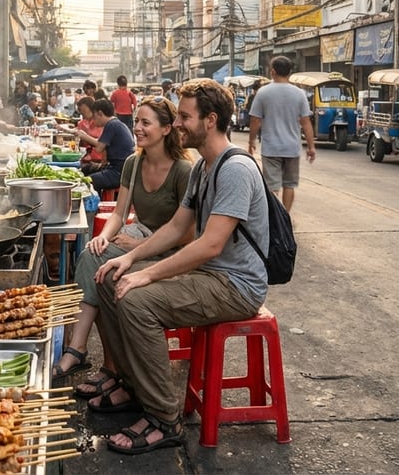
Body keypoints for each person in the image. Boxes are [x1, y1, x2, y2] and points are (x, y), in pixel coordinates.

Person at [90, 78, 268, 454]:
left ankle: (164, 418)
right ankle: (134, 385)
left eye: (186, 116)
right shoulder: (204, 166)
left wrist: (148, 273)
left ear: (210, 120)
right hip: (211, 276)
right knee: (110, 278)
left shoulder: (235, 168)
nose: (180, 124)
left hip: (236, 286)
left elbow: (210, 244)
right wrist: (130, 257)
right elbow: (175, 227)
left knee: (138, 301)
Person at [52, 96, 194, 387]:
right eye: (137, 122)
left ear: (167, 129)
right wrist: (102, 238)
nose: (138, 129)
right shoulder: (133, 162)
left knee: (107, 273)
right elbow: (119, 213)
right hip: (138, 238)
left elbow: (188, 234)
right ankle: (82, 351)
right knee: (93, 256)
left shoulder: (183, 170)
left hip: (172, 253)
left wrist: (138, 248)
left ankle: (104, 363)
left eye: (145, 123)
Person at [248, 56, 316, 212]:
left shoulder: (263, 93)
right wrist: (311, 147)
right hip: (292, 148)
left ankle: (274, 219)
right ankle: (285, 216)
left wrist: (251, 141)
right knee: (289, 185)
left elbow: (255, 120)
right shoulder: (299, 94)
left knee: (271, 187)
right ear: (290, 72)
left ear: (272, 71)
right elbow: (306, 122)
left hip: (271, 148)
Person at [73, 99, 135, 191]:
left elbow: (99, 148)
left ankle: (94, 203)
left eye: (94, 116)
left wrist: (84, 136)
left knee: (87, 181)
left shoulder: (111, 125)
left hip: (119, 172)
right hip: (118, 168)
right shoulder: (116, 123)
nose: (93, 120)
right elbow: (101, 143)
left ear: (100, 113)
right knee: (85, 170)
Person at [73, 96, 105, 170]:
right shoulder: (87, 122)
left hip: (97, 161)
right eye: (81, 111)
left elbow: (99, 143)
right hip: (88, 159)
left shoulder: (101, 123)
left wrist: (85, 136)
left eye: (84, 110)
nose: (82, 113)